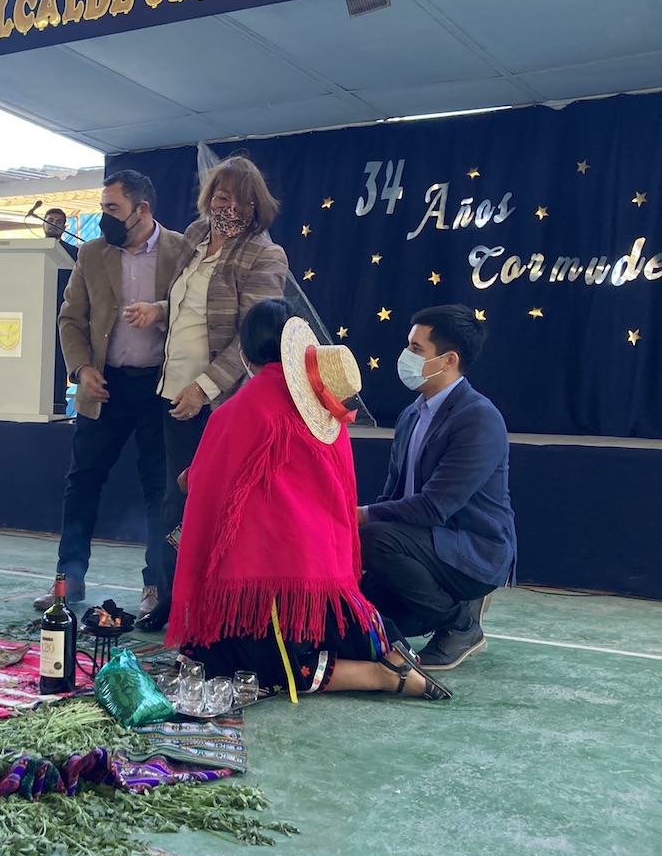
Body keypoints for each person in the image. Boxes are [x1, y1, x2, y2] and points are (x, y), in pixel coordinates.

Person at [167, 300, 450, 701]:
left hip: (268, 584)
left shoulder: (238, 411)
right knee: (327, 632)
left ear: (246, 353)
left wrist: (191, 477)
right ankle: (387, 650)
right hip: (329, 583)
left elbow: (205, 485)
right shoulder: (325, 411)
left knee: (225, 659)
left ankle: (383, 677)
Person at [123, 155, 289, 631]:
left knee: (213, 503)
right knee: (173, 501)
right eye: (219, 192)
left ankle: (213, 606)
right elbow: (189, 302)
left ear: (255, 204)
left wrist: (205, 386)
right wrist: (158, 310)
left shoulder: (264, 255)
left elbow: (253, 339)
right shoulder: (195, 237)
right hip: (173, 392)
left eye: (236, 196)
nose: (225, 202)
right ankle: (171, 598)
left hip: (221, 404)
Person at [38, 170, 189, 615]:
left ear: (142, 209)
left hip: (161, 389)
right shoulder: (92, 253)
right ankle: (68, 580)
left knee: (159, 490)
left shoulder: (181, 251)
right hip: (103, 386)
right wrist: (82, 367)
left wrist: (159, 314)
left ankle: (156, 587)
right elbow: (71, 318)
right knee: (82, 483)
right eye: (103, 207)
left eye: (112, 209)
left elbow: (194, 314)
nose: (104, 218)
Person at [357, 304, 516, 671]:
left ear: (448, 360)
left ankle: (461, 625)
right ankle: (437, 611)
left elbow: (433, 508)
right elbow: (393, 496)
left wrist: (361, 517)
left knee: (374, 537)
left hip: (472, 549)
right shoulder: (413, 413)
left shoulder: (478, 417)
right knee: (358, 616)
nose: (406, 356)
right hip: (421, 546)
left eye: (416, 349)